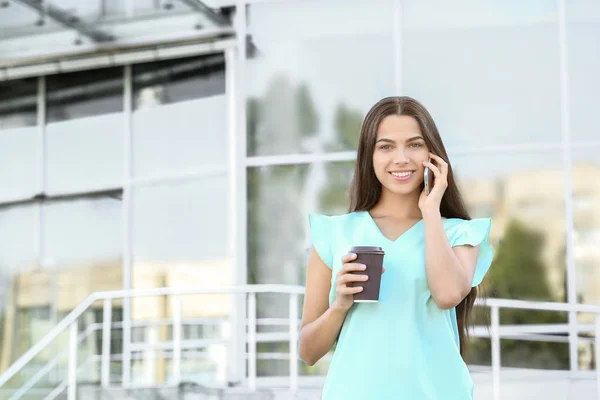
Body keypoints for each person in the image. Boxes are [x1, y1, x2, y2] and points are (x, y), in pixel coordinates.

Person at [298, 96, 494, 399]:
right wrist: (340, 306)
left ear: (432, 154)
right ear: (369, 156)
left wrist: (431, 211)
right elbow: (308, 352)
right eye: (386, 146)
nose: (401, 158)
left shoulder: (460, 234)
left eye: (414, 145)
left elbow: (447, 295)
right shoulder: (334, 234)